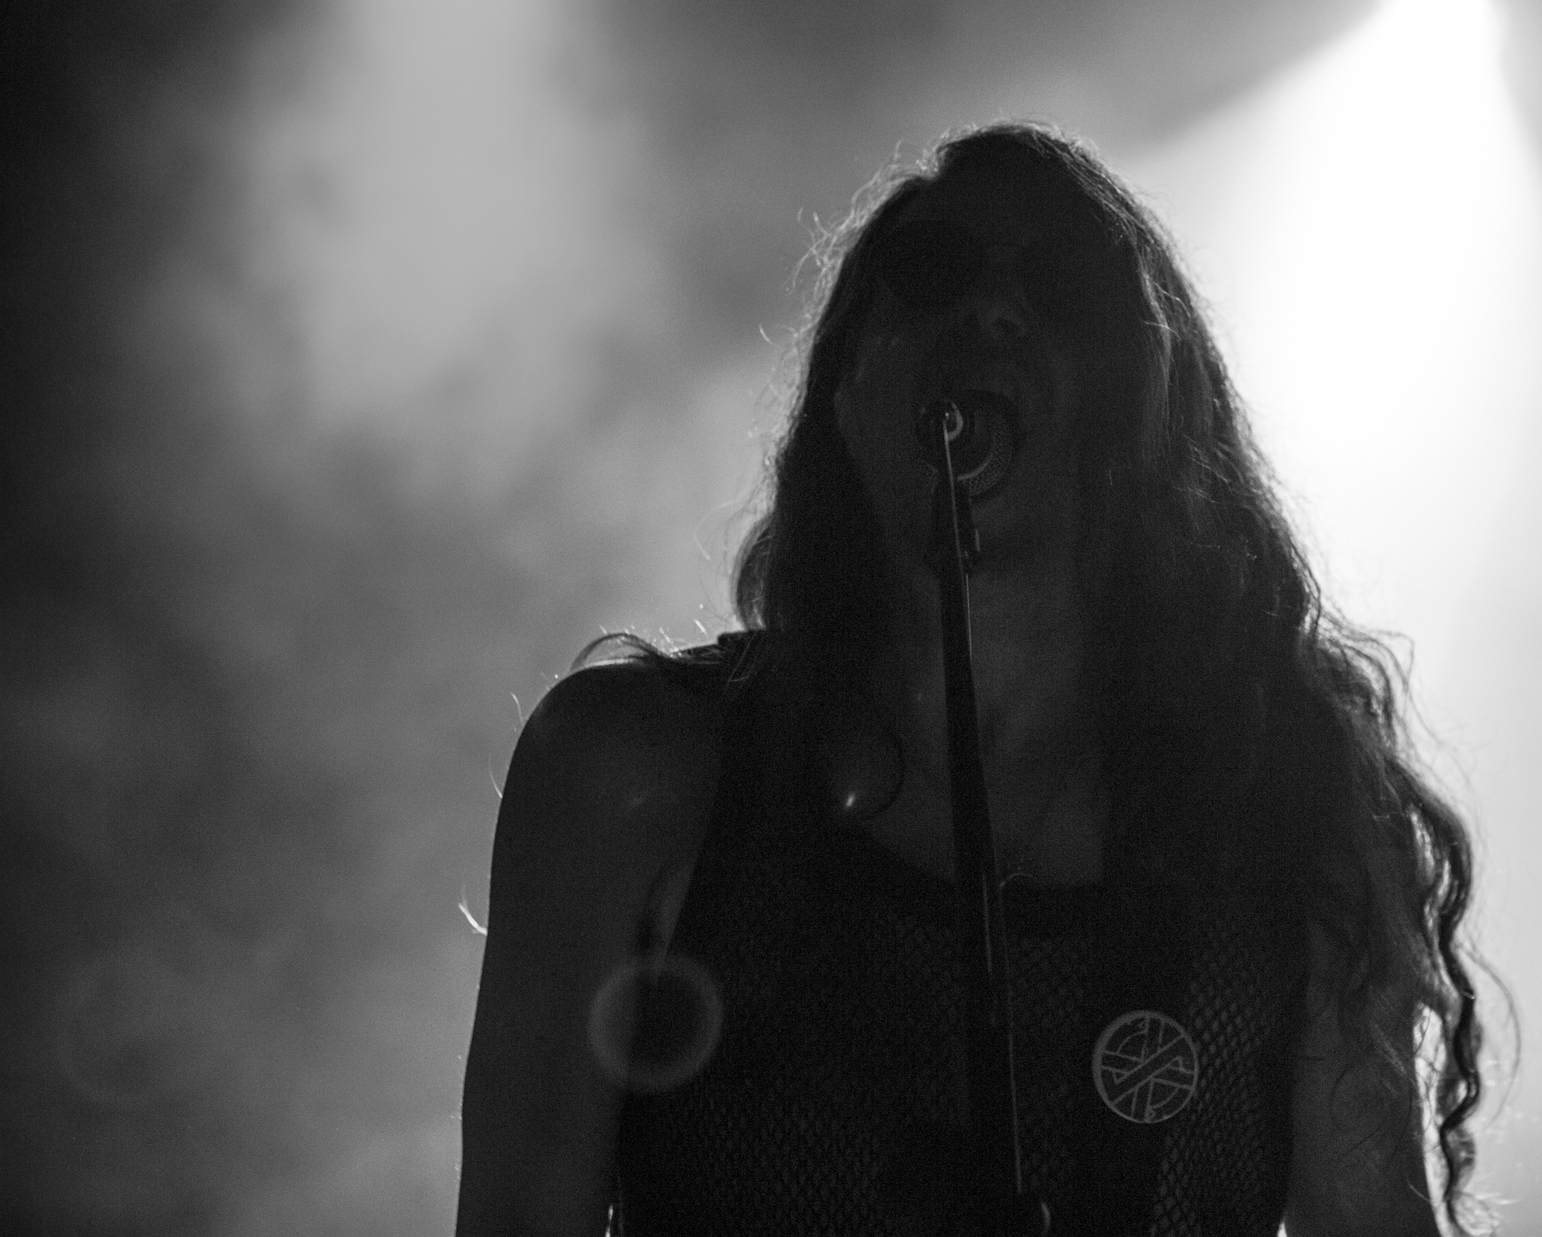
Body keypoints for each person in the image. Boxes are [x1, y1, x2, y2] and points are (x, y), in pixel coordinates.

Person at [456, 122, 1488, 1236]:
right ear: (845, 386)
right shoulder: (634, 770)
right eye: (932, 271)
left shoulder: (1288, 813)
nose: (991, 310)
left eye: (1060, 288)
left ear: (1147, 406)